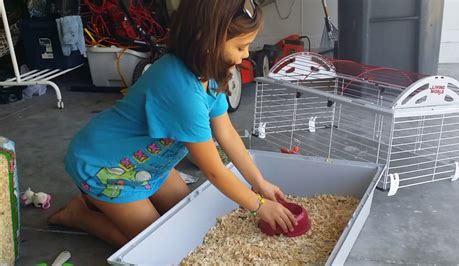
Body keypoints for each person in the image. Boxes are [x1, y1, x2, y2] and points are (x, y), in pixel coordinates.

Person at [48, 0, 297, 247]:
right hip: (104, 166)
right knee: (153, 244)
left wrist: (260, 183)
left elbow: (227, 134)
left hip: (149, 163)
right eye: (241, 46)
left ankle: (99, 203)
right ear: (206, 39)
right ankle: (79, 215)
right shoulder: (182, 91)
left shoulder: (210, 70)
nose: (245, 55)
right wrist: (259, 206)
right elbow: (213, 171)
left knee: (185, 215)